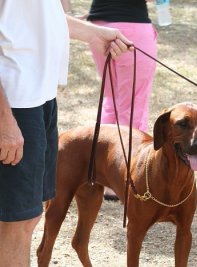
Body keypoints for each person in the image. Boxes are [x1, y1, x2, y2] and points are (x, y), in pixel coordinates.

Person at [0, 1, 133, 266]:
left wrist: (93, 34)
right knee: (18, 220)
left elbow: (38, 16)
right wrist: (4, 121)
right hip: (14, 103)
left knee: (27, 216)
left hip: (41, 98)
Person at [87, 0, 158, 200]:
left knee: (113, 101)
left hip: (98, 24)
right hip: (131, 25)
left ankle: (99, 172)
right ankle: (120, 176)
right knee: (133, 106)